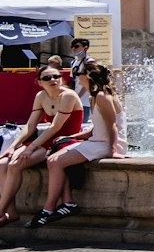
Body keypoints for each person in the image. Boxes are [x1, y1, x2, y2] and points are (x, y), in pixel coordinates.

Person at [31, 60, 123, 225]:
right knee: (53, 158)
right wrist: (72, 137)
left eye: (79, 73)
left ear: (87, 76)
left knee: (56, 162)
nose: (76, 76)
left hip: (106, 143)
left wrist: (113, 150)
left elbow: (113, 126)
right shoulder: (94, 96)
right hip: (98, 140)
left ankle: (49, 207)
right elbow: (97, 128)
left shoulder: (102, 96)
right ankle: (65, 203)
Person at [0, 66, 84, 226]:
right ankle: (10, 212)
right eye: (47, 78)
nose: (53, 80)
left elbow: (55, 127)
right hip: (45, 141)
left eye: (56, 76)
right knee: (2, 164)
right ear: (39, 82)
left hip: (61, 142)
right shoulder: (41, 96)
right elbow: (30, 126)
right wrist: (14, 146)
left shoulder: (68, 95)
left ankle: (0, 212)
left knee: (15, 165)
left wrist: (30, 148)